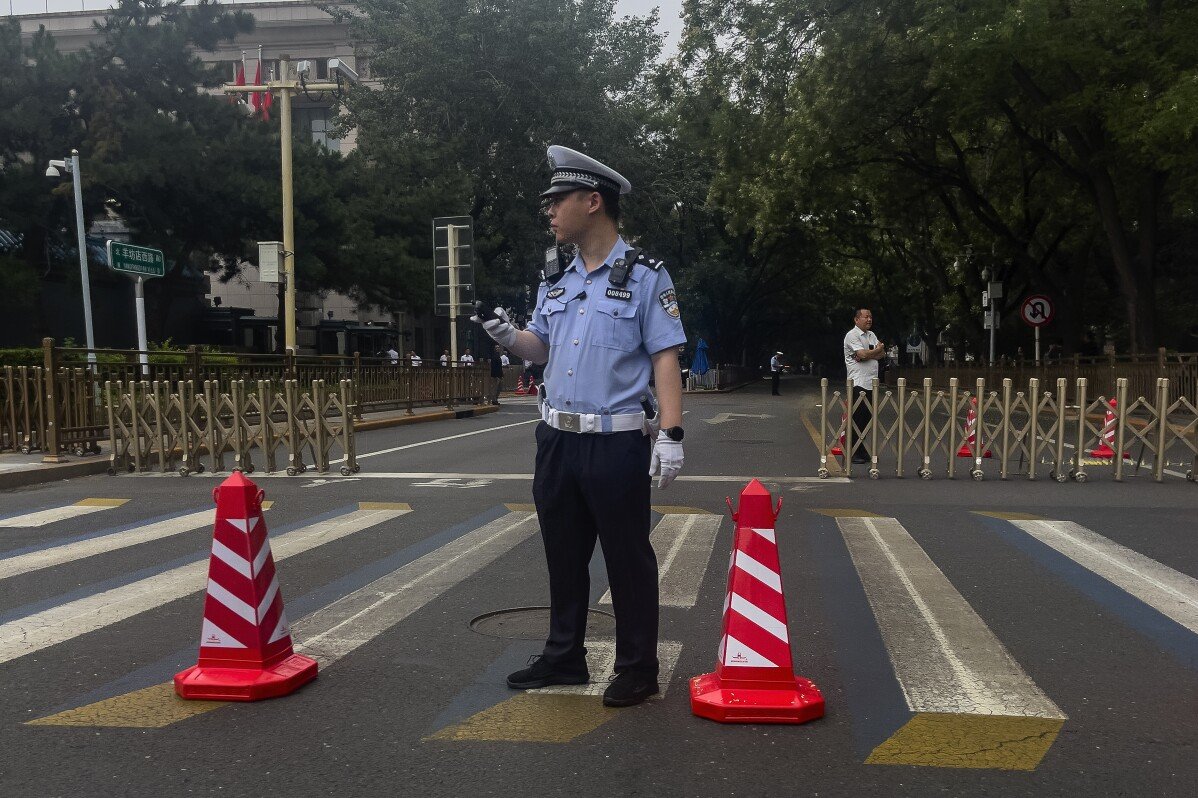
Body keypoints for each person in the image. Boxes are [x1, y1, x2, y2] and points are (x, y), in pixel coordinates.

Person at [472, 145, 686, 708]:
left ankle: (637, 667)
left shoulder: (645, 278)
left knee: (627, 557)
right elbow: (538, 348)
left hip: (615, 441)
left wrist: (671, 433)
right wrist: (507, 337)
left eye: (557, 200)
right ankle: (565, 655)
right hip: (556, 439)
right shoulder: (555, 280)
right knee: (562, 554)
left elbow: (666, 355)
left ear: (593, 202)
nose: (549, 210)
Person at [844, 308, 884, 465]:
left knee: (867, 418)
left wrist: (873, 352)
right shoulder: (852, 335)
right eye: (866, 317)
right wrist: (875, 351)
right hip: (858, 382)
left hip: (871, 382)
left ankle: (861, 449)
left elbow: (881, 355)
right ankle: (853, 451)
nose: (869, 319)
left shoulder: (871, 335)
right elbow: (862, 355)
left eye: (871, 317)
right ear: (856, 319)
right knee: (857, 418)